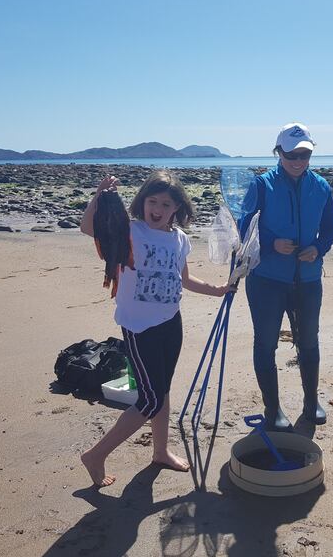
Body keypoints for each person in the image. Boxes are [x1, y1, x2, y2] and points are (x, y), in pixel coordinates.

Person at [79, 171, 232, 487]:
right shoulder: (129, 231)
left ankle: (160, 451)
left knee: (160, 392)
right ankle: (96, 455)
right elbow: (88, 228)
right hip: (139, 328)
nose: (158, 208)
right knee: (148, 400)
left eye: (166, 203)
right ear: (142, 202)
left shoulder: (180, 239)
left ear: (177, 208)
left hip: (170, 324)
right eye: (153, 201)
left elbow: (185, 280)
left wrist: (217, 289)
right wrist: (98, 196)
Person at [239, 123, 333, 431]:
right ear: (278, 153)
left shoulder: (321, 186)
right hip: (267, 278)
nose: (298, 161)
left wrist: (317, 248)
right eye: (291, 155)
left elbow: (331, 229)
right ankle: (273, 410)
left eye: (304, 155)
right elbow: (243, 227)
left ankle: (311, 402)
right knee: (266, 343)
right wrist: (272, 244)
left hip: (307, 278)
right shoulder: (262, 185)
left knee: (308, 341)